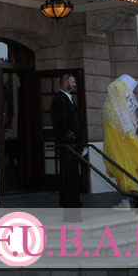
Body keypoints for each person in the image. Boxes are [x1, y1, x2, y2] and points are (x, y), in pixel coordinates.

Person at [102, 74, 138, 207]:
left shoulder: (109, 108)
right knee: (131, 171)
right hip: (129, 146)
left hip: (116, 148)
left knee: (121, 171)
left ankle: (126, 201)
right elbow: (130, 127)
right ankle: (132, 200)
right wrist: (137, 121)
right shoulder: (123, 109)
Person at [50, 73, 82, 209]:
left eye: (74, 82)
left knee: (73, 175)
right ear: (64, 83)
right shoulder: (59, 100)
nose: (74, 84)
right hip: (67, 146)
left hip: (73, 145)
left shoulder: (70, 99)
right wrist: (67, 137)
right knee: (68, 176)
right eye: (72, 82)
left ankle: (73, 200)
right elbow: (60, 121)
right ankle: (69, 202)